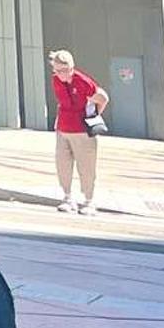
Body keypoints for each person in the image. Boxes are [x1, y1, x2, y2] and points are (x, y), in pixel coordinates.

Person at [48, 49, 109, 215]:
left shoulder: (83, 81)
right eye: (57, 70)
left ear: (71, 67)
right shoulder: (56, 80)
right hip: (63, 128)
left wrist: (94, 115)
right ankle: (67, 197)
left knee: (86, 167)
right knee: (63, 164)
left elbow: (103, 98)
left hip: (82, 131)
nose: (60, 74)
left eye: (63, 70)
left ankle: (89, 200)